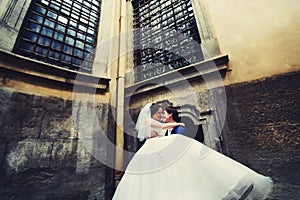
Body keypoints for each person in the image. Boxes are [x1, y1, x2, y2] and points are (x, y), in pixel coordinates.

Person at [113, 103, 273, 200]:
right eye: (160, 112)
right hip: (152, 148)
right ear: (152, 113)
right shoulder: (149, 121)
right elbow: (162, 128)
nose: (161, 114)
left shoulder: (156, 121)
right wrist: (177, 125)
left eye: (163, 112)